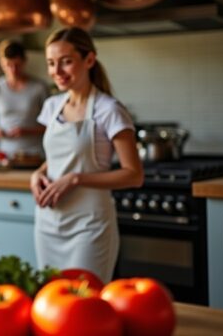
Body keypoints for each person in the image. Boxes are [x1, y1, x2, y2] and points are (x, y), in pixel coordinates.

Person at [30, 27, 143, 283]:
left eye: (66, 62)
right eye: (51, 63)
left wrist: (76, 179)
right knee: (52, 306)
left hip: (89, 226)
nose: (56, 71)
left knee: (85, 304)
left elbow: (134, 175)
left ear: (89, 60)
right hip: (48, 223)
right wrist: (38, 173)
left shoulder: (109, 110)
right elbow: (60, 157)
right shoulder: (51, 106)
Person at [0, 39, 49, 158]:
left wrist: (26, 131)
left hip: (35, 155)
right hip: (4, 155)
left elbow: (50, 125)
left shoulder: (39, 87)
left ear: (24, 62)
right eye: (8, 65)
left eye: (17, 65)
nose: (13, 70)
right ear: (2, 63)